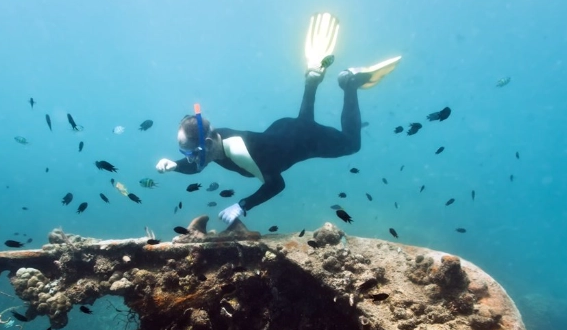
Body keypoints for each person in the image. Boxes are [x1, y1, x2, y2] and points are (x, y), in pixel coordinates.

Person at [155, 13, 401, 224]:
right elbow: (196, 166)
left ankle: (350, 84)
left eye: (191, 153)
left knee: (351, 145)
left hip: (302, 139)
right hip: (283, 133)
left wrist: (242, 205)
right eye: (185, 153)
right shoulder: (213, 140)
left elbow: (276, 184)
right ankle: (312, 80)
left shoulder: (238, 152)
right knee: (302, 122)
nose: (191, 159)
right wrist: (175, 165)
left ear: (208, 144)